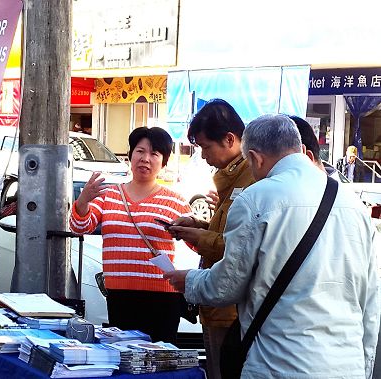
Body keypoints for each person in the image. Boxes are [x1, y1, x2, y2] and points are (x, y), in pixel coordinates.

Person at [165, 114, 378, 377]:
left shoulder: (256, 199)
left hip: (278, 364)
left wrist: (190, 281)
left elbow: (226, 287)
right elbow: (371, 302)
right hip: (347, 366)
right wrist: (365, 367)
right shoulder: (354, 205)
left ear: (255, 157)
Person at [69, 127, 192, 343]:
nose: (145, 159)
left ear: (163, 162)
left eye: (154, 154)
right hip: (119, 296)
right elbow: (80, 227)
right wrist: (83, 201)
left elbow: (199, 244)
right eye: (140, 151)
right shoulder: (109, 195)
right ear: (130, 155)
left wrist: (210, 223)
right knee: (124, 359)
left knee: (159, 364)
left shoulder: (176, 201)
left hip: (162, 298)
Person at [168, 99, 255, 379]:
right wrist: (197, 225)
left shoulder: (252, 180)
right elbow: (227, 233)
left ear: (230, 139)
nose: (204, 156)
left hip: (230, 309)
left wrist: (201, 236)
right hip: (215, 305)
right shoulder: (231, 178)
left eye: (206, 147)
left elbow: (241, 248)